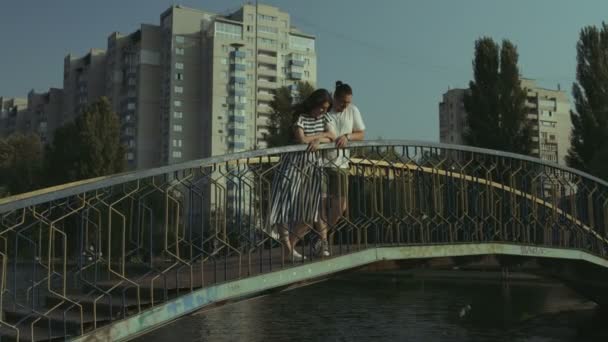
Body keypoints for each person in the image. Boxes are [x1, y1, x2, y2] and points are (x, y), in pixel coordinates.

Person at [268, 89, 336, 260]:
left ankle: (289, 249)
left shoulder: (325, 118)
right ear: (314, 104)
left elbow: (332, 137)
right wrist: (321, 136)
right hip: (292, 165)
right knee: (283, 206)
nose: (323, 111)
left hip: (312, 167)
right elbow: (301, 139)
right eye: (322, 107)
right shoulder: (300, 117)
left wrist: (319, 139)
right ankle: (288, 249)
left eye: (326, 108)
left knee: (310, 210)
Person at [314, 81, 366, 257]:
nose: (346, 105)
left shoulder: (353, 111)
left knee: (341, 206)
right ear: (335, 98)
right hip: (321, 164)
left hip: (342, 164)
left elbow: (361, 133)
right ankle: (323, 243)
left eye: (348, 102)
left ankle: (322, 237)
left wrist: (347, 136)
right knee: (321, 204)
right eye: (343, 102)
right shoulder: (325, 110)